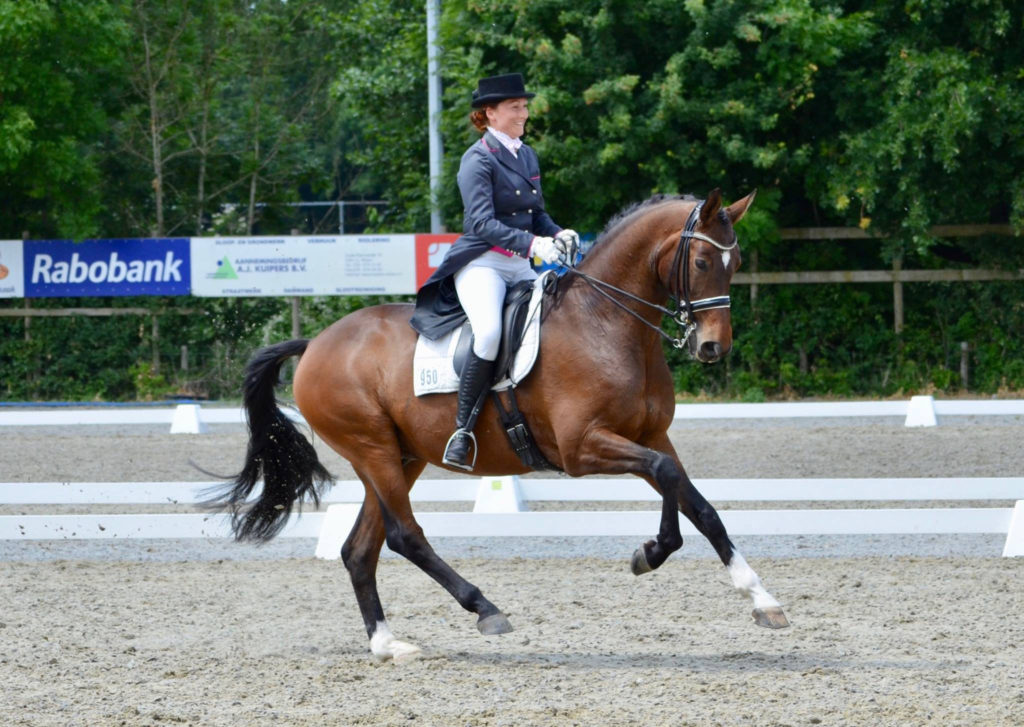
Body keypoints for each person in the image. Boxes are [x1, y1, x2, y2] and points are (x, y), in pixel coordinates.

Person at [410, 72, 579, 470]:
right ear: (490, 113)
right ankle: (462, 430)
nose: (524, 112)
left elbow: (535, 214)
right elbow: (482, 224)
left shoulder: (526, 154)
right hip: (483, 263)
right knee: (487, 333)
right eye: (516, 107)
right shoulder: (477, 159)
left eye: (524, 106)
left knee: (558, 320)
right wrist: (535, 245)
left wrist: (557, 231)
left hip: (520, 264)